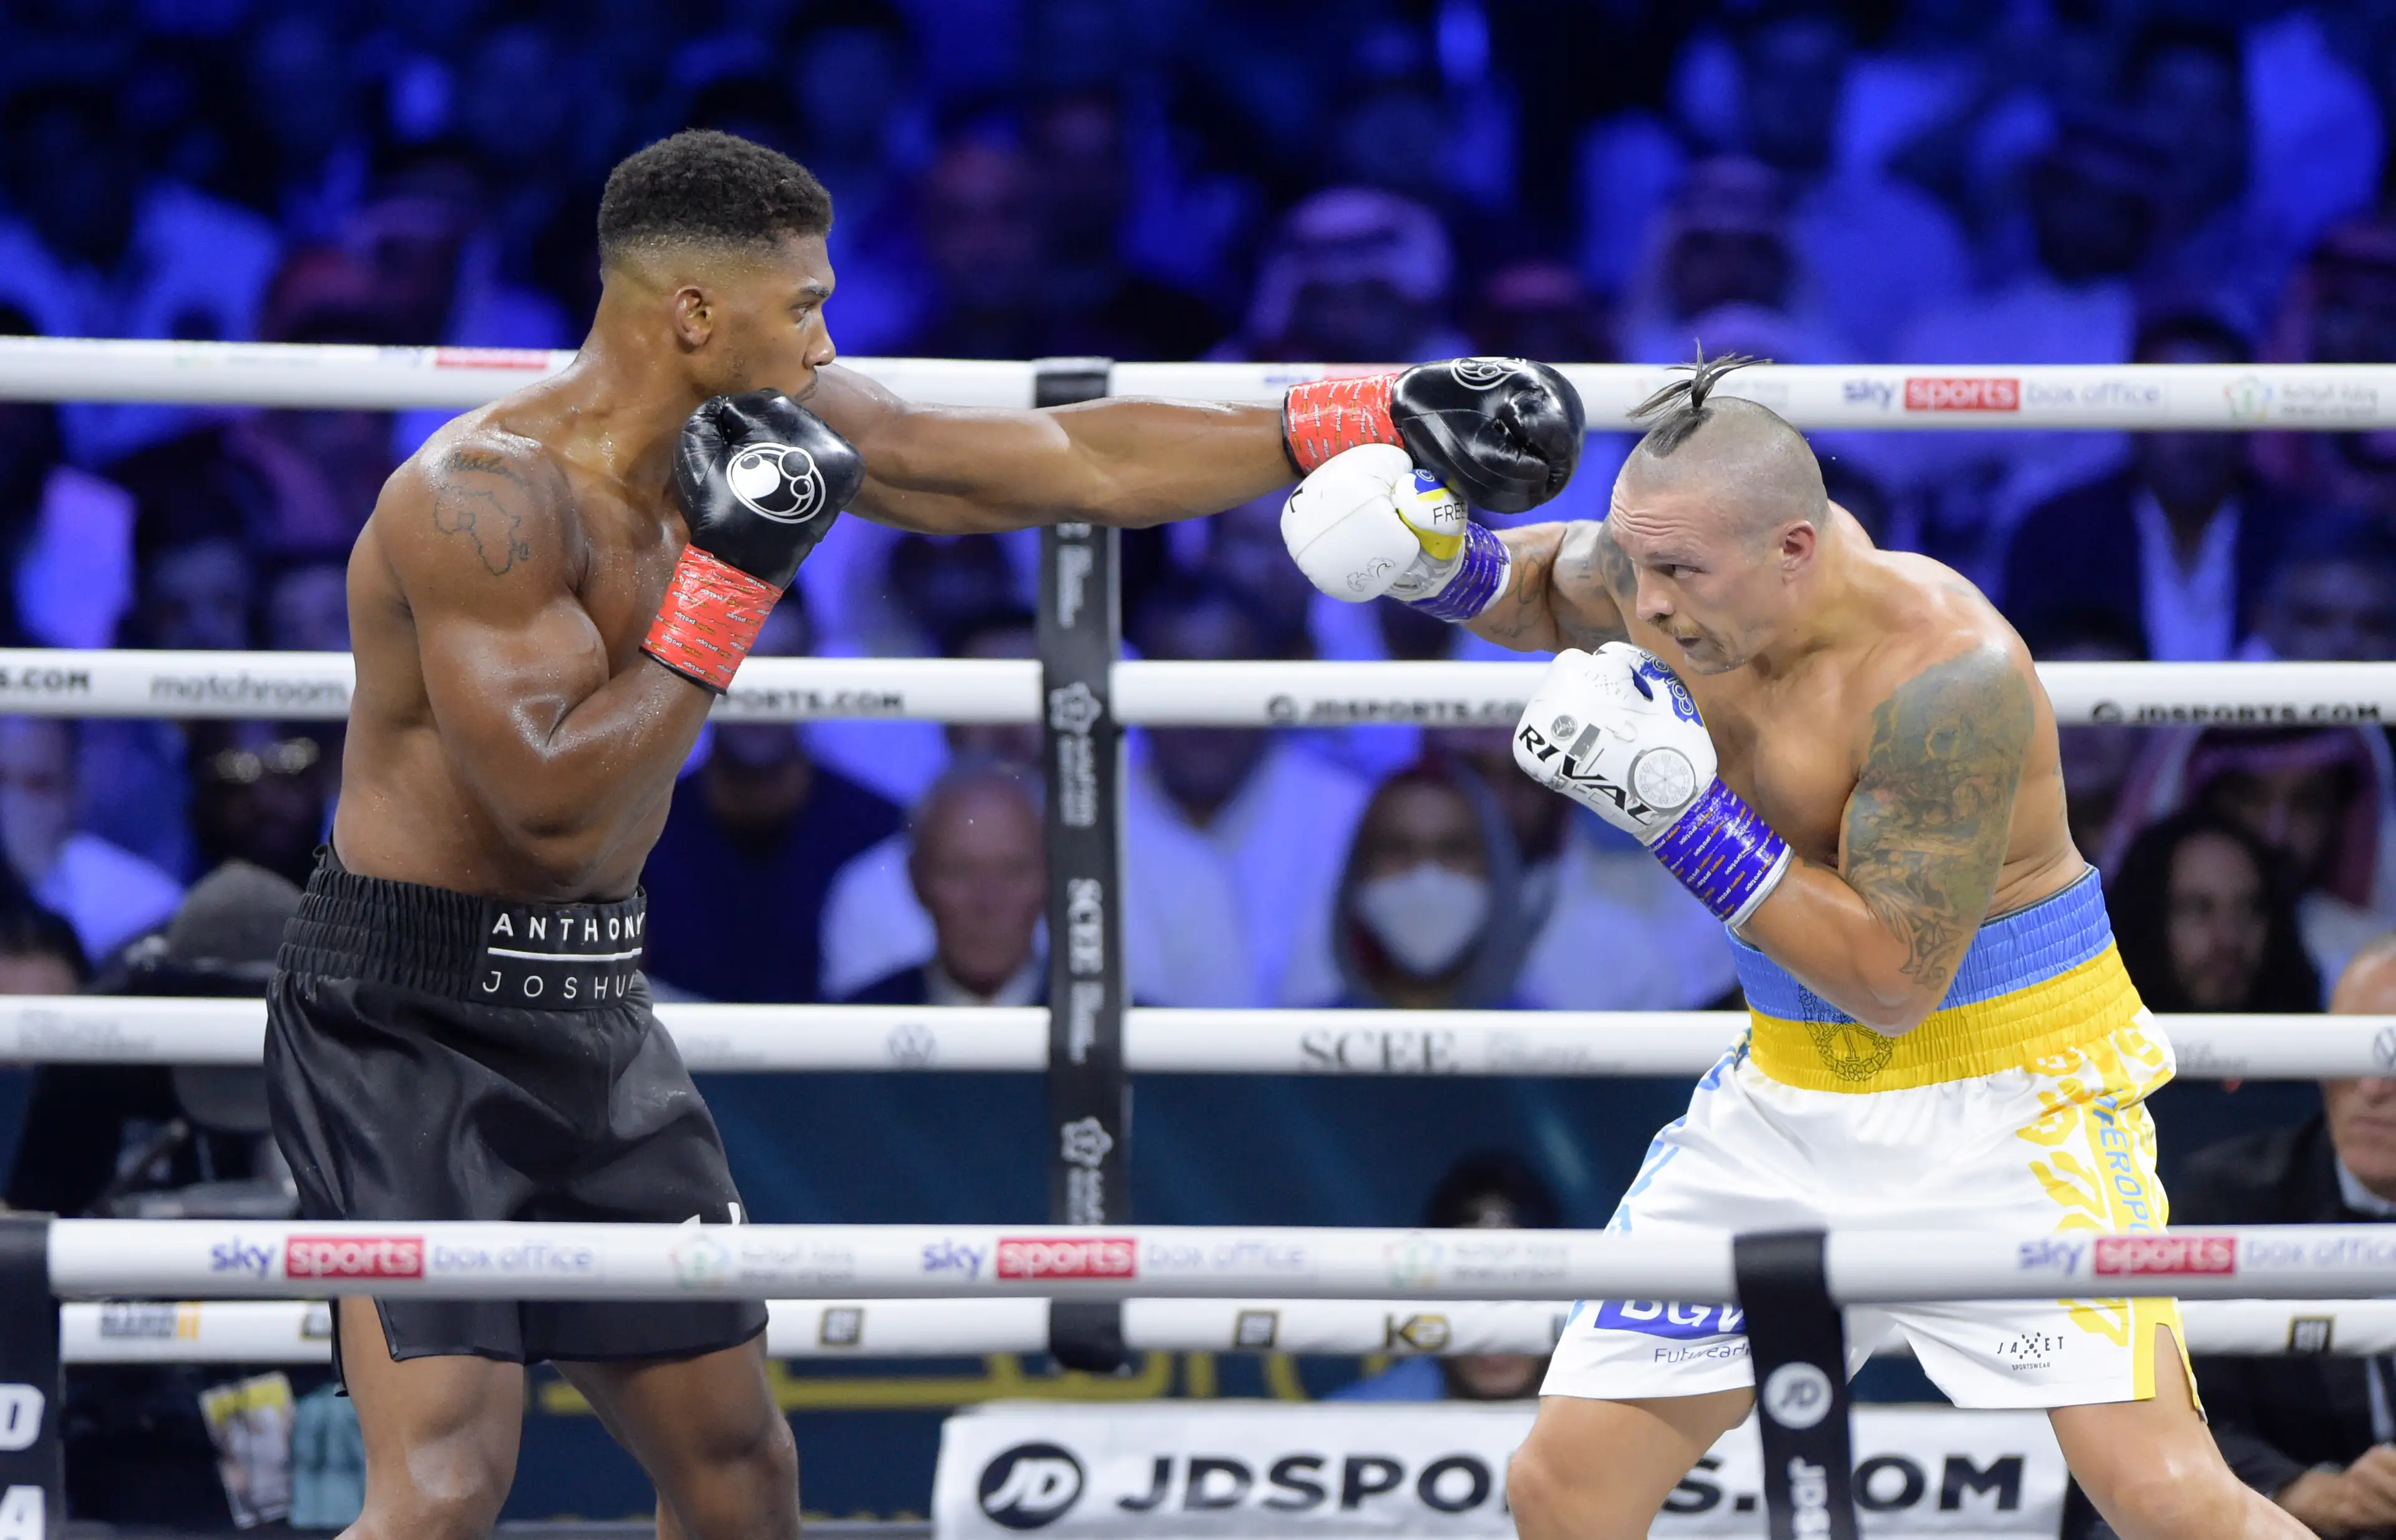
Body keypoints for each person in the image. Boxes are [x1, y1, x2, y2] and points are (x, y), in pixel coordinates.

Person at [273, 126, 1580, 1540]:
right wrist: (729, 581)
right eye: (804, 309)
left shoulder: (772, 418)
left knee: (739, 1474)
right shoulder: (479, 500)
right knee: (448, 1481)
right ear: (695, 315)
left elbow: (1057, 457)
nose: (825, 339)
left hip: (588, 995)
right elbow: (546, 803)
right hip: (408, 1017)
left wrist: (1344, 419)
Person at [1280, 352, 2304, 1539]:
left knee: (2165, 1495)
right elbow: (1544, 589)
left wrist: (1680, 814)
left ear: (1795, 550)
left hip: (2011, 1101)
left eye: (1677, 572)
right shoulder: (1677, 567)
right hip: (1787, 1088)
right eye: (1637, 562)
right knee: (1563, 1483)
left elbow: (1891, 981)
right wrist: (1430, 561)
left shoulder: (1946, 676)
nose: (1647, 604)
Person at [2174, 936, 2396, 1535]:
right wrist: (2307, 1492)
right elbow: (2168, 1417)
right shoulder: (2227, 1200)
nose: (2376, 1089)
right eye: (2354, 1050)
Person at [637, 598, 904, 1002]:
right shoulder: (640, 831)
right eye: (737, 663)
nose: (760, 693)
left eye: (782, 664)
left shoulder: (880, 832)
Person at [1999, 311, 2288, 663]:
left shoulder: (2298, 537)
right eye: (2172, 405)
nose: (2195, 431)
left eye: (2216, 406)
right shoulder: (2057, 536)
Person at [1332, 1151, 1561, 1402]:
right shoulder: (1349, 1424)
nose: (1493, 1326)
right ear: (1430, 1295)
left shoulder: (1607, 1424)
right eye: (1471, 1287)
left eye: (1515, 1285)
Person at [1319, 761, 1534, 1011]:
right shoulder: (1297, 1043)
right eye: (1398, 848)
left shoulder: (1547, 1043)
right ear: (1359, 874)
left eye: (1453, 849)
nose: (1426, 879)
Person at [842, 762, 1045, 1006]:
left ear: (1049, 879)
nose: (988, 901)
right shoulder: (858, 1024)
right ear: (916, 880)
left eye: (1013, 871)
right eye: (960, 871)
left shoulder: (1101, 1027)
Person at [0, 716, 183, 962]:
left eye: (37, 785)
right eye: (0, 781)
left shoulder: (144, 907)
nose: (11, 806)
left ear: (73, 790)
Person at [2107, 811, 2321, 1016]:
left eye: (2248, 910)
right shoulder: (2088, 1048)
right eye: (2198, 910)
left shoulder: (2313, 1047)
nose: (2229, 938)